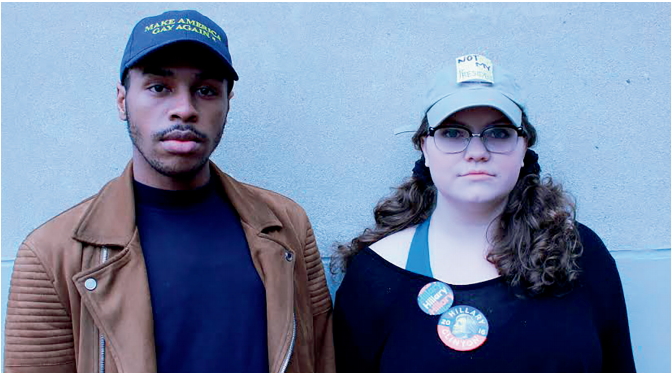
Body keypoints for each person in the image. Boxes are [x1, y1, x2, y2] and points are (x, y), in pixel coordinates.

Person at [3, 10, 334, 373]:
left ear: (227, 103)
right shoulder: (53, 254)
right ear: (121, 101)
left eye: (206, 90)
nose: (184, 109)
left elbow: (319, 359)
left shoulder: (287, 226)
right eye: (159, 87)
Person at [332, 54, 635, 372]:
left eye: (499, 133)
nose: (476, 153)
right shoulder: (375, 275)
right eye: (452, 133)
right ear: (424, 146)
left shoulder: (578, 252)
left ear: (523, 147)